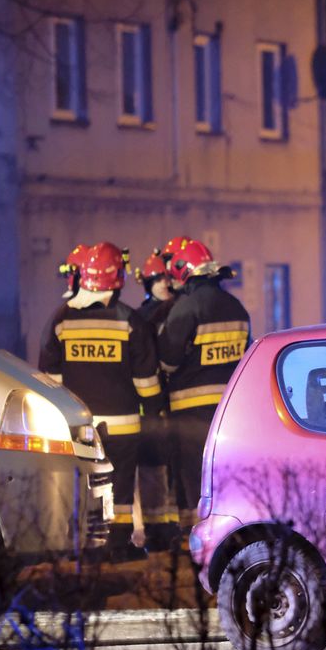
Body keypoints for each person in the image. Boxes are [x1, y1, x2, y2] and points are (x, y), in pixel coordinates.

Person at [40, 242, 164, 562]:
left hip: (79, 426)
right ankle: (118, 546)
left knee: (84, 484)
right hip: (124, 426)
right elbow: (146, 380)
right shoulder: (130, 321)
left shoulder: (61, 320)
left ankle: (84, 545)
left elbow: (50, 379)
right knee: (120, 487)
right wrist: (153, 413)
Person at [158, 237, 252, 529]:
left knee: (192, 474)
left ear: (182, 271)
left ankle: (194, 535)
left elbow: (168, 361)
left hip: (190, 410)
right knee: (225, 471)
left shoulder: (186, 307)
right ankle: (229, 528)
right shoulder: (237, 307)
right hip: (229, 410)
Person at [132, 248, 179, 551]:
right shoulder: (141, 316)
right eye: (157, 279)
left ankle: (173, 526)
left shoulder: (183, 310)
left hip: (178, 399)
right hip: (151, 402)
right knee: (154, 465)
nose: (163, 283)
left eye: (167, 278)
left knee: (175, 466)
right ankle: (156, 526)